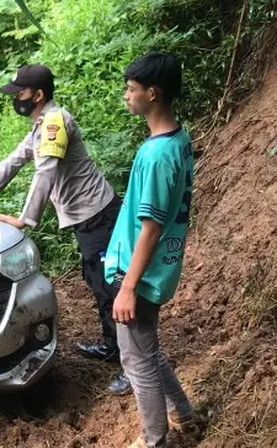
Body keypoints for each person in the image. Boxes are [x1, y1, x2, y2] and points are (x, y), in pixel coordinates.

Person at [0, 64, 131, 395]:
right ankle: (112, 346)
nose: (15, 98)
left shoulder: (54, 123)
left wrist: (24, 219)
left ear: (38, 95)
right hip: (85, 217)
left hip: (98, 215)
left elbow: (45, 173)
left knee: (111, 287)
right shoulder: (41, 124)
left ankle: (132, 367)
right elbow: (14, 161)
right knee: (97, 280)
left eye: (19, 93)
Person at [107, 53, 197, 448]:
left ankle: (154, 440)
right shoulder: (176, 139)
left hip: (141, 274)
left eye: (131, 89)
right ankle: (184, 414)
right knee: (147, 350)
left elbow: (151, 227)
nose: (127, 96)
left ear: (152, 93)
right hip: (153, 270)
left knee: (136, 360)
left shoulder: (157, 155)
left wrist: (128, 286)